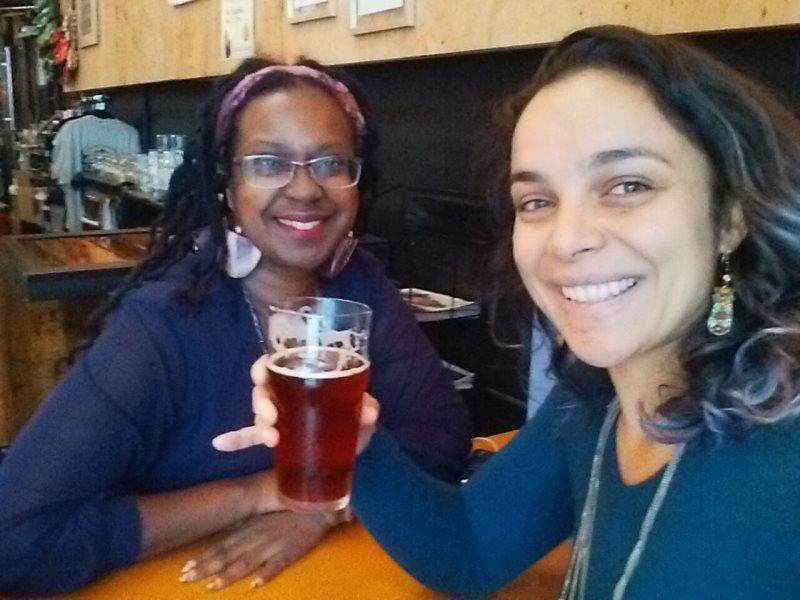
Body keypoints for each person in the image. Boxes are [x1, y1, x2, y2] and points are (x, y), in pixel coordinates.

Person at [221, 26, 800, 599]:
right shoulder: (596, 398)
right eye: (538, 201)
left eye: (627, 185)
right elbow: (470, 548)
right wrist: (356, 441)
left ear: (730, 214)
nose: (567, 239)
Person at [0, 57, 471, 595]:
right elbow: (16, 541)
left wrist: (318, 511)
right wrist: (256, 493)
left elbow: (441, 434)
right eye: (269, 163)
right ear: (226, 182)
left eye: (331, 163)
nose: (305, 189)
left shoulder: (359, 285)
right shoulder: (158, 329)